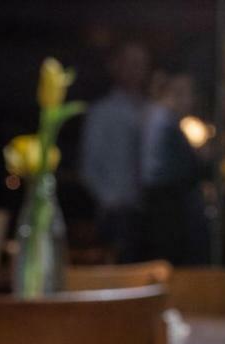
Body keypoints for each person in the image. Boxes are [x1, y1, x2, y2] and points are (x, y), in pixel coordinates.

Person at [80, 42, 150, 262]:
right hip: (117, 216)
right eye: (130, 63)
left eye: (140, 64)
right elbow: (88, 167)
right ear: (115, 66)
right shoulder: (102, 112)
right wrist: (111, 201)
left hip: (151, 213)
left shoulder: (152, 110)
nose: (135, 70)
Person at [138, 70, 210, 265]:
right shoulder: (162, 120)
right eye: (181, 92)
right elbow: (158, 172)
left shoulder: (170, 121)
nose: (188, 99)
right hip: (169, 213)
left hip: (171, 211)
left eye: (189, 93)